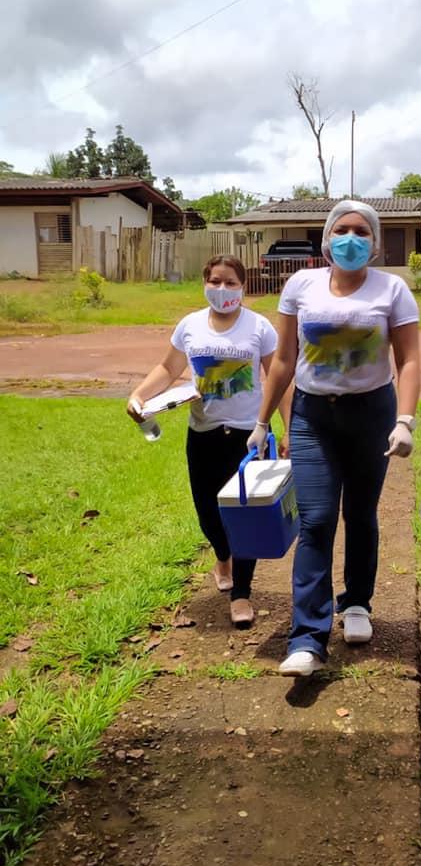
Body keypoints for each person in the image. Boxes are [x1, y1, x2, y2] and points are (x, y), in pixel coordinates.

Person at [250, 200, 421, 677]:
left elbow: (408, 360)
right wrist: (262, 422)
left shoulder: (392, 289)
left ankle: (358, 602)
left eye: (362, 231)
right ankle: (307, 637)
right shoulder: (300, 285)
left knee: (361, 513)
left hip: (372, 414)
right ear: (326, 239)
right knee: (317, 520)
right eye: (341, 229)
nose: (351, 238)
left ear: (375, 242)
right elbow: (284, 359)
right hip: (312, 417)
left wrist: (405, 420)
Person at [126, 255, 282, 629]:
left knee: (245, 514)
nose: (222, 289)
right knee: (208, 514)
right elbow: (168, 368)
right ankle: (222, 555)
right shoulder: (190, 326)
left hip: (248, 435)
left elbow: (278, 377)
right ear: (204, 283)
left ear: (243, 286)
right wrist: (139, 395)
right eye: (215, 281)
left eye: (230, 282)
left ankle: (241, 593)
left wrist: (289, 428)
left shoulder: (260, 328)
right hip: (203, 434)